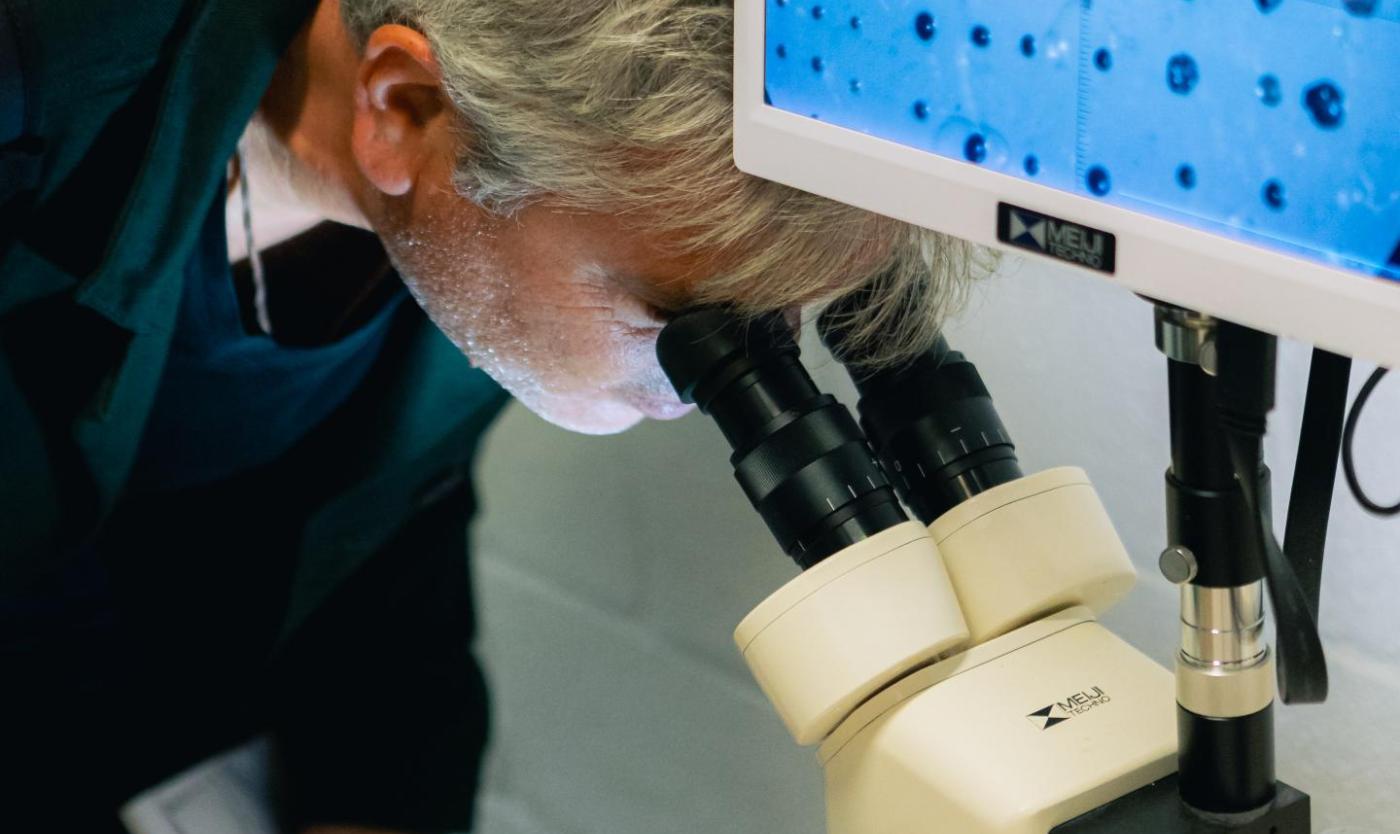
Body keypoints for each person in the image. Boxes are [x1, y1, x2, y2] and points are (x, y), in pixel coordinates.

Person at [0, 0, 985, 832]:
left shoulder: (463, 234)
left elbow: (376, 569)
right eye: (673, 322)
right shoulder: (39, 82)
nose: (693, 393)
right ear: (404, 109)